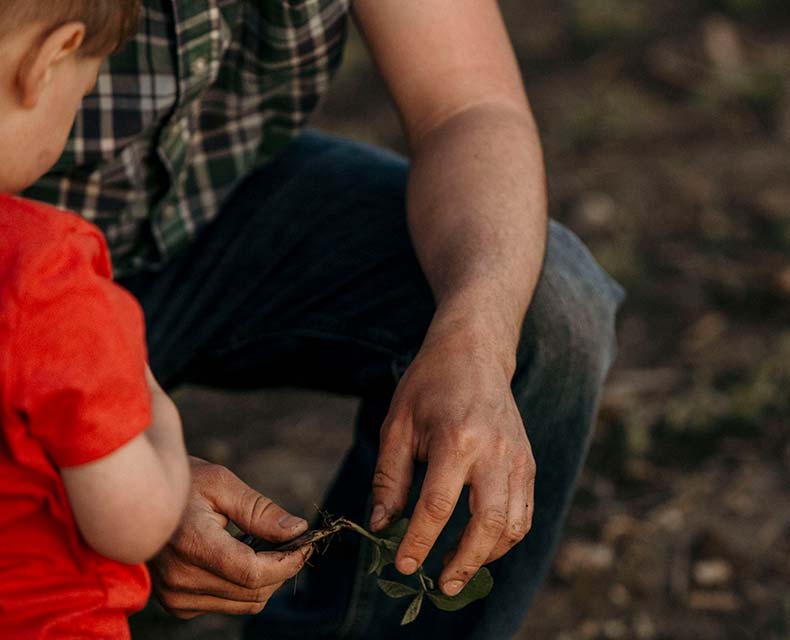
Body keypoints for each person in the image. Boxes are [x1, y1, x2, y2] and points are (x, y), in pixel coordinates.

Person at [26, 1, 624, 638]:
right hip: (23, 265)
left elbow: (470, 107)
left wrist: (478, 339)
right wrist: (141, 484)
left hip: (202, 207)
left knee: (541, 307)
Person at [0, 2, 195, 637]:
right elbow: (132, 522)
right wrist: (156, 414)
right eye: (82, 92)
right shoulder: (45, 277)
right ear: (49, 60)